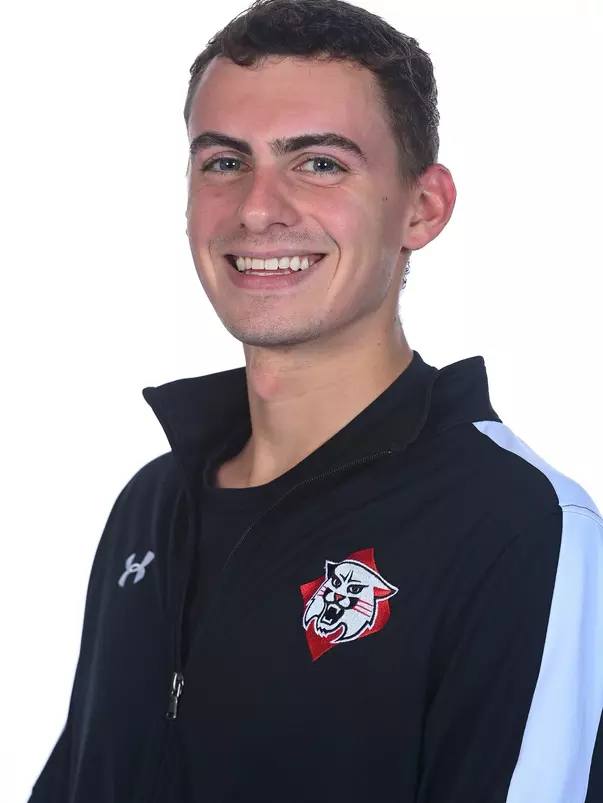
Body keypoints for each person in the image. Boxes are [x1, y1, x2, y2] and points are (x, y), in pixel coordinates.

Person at [29, 0, 602, 801]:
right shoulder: (152, 506)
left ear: (422, 208)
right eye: (224, 162)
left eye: (320, 163)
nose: (257, 208)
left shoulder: (518, 524)